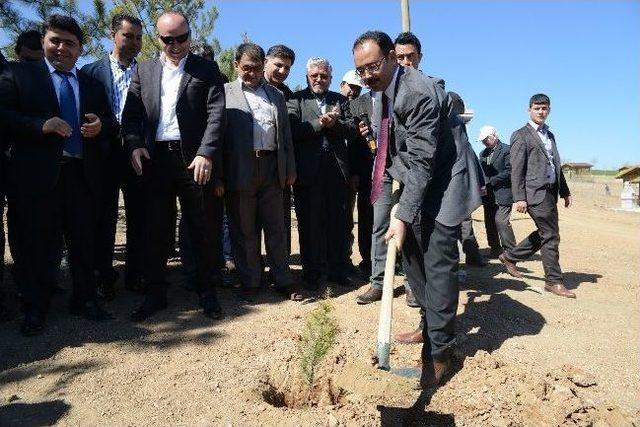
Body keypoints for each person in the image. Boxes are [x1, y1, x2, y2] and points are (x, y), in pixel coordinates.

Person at [352, 31, 459, 388]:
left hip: (445, 180)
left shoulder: (416, 92)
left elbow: (424, 162)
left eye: (373, 66)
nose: (367, 75)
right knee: (412, 257)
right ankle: (429, 328)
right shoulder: (379, 92)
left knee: (437, 265)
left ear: (392, 57)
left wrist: (401, 213)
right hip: (414, 179)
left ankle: (439, 354)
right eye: (360, 70)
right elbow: (393, 151)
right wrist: (402, 210)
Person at [0, 14, 118, 336]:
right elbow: (5, 116)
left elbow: (111, 122)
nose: (62, 48)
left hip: (82, 176)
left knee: (83, 242)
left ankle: (85, 300)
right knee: (39, 245)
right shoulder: (18, 74)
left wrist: (101, 126)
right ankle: (36, 308)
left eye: (70, 43)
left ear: (81, 49)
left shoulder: (91, 84)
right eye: (55, 40)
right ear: (44, 42)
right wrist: (41, 125)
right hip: (39, 178)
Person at [121, 10, 226, 321]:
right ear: (158, 39)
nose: (176, 44)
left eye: (182, 37)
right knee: (155, 230)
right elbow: (131, 116)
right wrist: (135, 144)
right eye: (169, 39)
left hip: (193, 159)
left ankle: (207, 293)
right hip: (156, 160)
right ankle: (156, 294)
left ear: (190, 36)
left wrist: (206, 152)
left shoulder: (206, 69)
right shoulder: (144, 70)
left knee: (202, 229)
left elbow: (216, 114)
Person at [394, 31, 486, 267]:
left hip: (439, 174)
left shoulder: (434, 88)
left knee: (441, 229)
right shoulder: (389, 92)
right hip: (409, 172)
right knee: (412, 229)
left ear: (420, 57)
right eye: (400, 57)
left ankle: (446, 274)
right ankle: (419, 285)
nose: (406, 62)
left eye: (410, 56)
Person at [222, 43, 297, 302]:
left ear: (263, 64)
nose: (251, 73)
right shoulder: (224, 93)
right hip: (239, 170)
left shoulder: (275, 95)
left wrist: (290, 170)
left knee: (277, 228)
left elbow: (285, 137)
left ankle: (283, 280)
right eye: (246, 68)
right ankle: (251, 281)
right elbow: (217, 139)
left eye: (255, 68)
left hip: (272, 169)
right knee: (244, 230)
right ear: (235, 66)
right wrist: (219, 177)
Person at [81, 14, 143, 299]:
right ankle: (104, 276)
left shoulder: (148, 73)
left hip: (137, 155)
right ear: (113, 35)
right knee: (102, 219)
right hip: (101, 156)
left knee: (139, 217)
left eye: (139, 37)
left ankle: (136, 275)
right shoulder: (90, 73)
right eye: (128, 36)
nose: (133, 42)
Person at [288, 57, 358, 289]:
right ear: (307, 76)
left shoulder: (340, 100)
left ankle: (338, 271)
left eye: (324, 76)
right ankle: (311, 274)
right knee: (309, 225)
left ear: (330, 77)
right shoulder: (296, 99)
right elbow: (293, 131)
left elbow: (351, 130)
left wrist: (334, 125)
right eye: (314, 75)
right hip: (307, 174)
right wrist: (320, 123)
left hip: (336, 172)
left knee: (338, 224)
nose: (319, 79)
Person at [499, 94, 574, 298]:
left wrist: (564, 191)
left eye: (545, 108)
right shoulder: (521, 135)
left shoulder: (550, 135)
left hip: (550, 192)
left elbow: (555, 165)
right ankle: (553, 281)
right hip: (533, 193)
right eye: (537, 108)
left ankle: (510, 256)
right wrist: (519, 197)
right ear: (529, 110)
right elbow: (517, 169)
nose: (541, 112)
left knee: (546, 232)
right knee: (550, 235)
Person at [264, 44, 296, 260]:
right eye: (278, 65)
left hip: (279, 168)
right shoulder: (245, 87)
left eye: (287, 68)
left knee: (280, 222)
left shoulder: (287, 95)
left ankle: (281, 270)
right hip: (249, 165)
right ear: (266, 61)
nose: (282, 71)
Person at [347, 86, 375, 278]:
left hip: (395, 169)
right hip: (366, 171)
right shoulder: (357, 104)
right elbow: (354, 143)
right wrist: (355, 172)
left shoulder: (397, 96)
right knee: (367, 217)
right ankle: (368, 260)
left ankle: (396, 260)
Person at [478, 125, 516, 257]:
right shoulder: (482, 154)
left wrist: (491, 180)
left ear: (494, 136)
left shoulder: (507, 150)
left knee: (501, 221)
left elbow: (510, 171)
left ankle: (511, 251)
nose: (484, 142)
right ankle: (495, 248)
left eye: (486, 139)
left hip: (503, 193)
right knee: (489, 222)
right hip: (487, 195)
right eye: (482, 140)